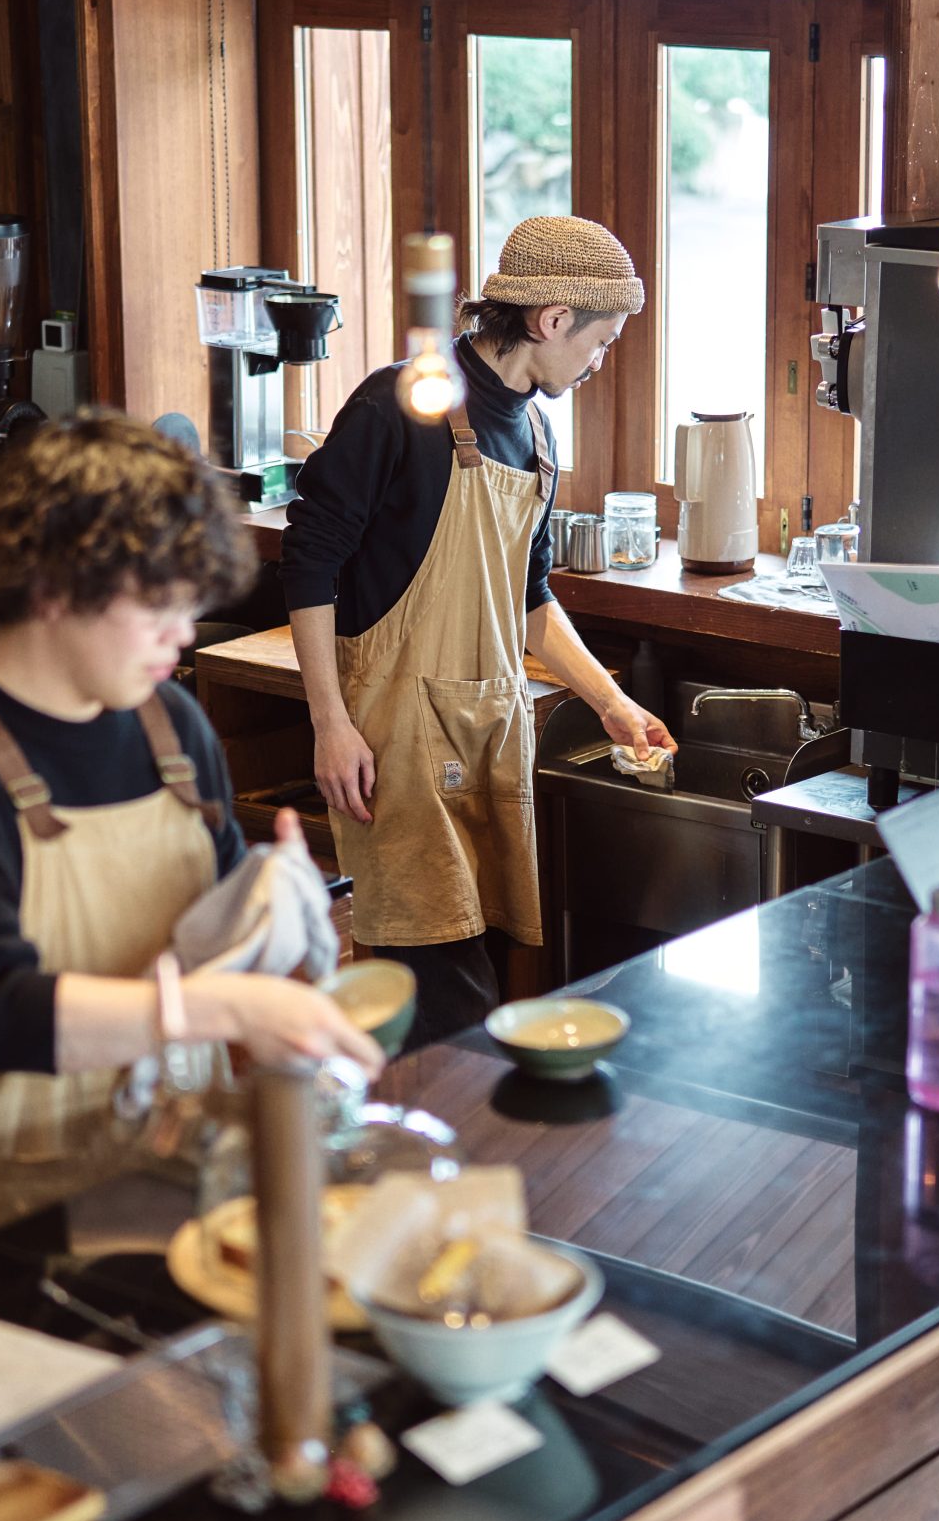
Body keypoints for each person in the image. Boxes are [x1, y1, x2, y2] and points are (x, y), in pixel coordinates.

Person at [0, 413, 382, 1284]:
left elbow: (198, 928)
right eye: (158, 604)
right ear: (55, 584)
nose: (183, 633)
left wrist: (268, 899)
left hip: (167, 1215)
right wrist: (215, 1009)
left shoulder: (173, 728)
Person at [281, 216, 674, 1045]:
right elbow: (309, 560)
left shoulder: (536, 434)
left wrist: (611, 703)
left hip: (491, 733)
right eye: (602, 342)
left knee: (478, 979)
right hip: (398, 743)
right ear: (553, 319)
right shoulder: (399, 406)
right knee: (444, 998)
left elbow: (529, 600)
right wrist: (329, 723)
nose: (601, 362)